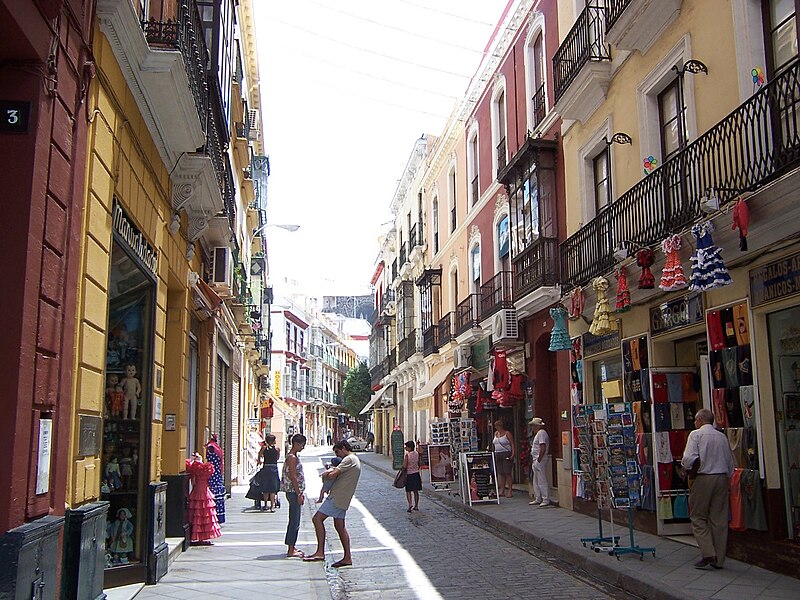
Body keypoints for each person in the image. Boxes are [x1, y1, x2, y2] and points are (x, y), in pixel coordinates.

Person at [681, 408, 734, 569]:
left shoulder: (696, 435)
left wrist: (685, 468)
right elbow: (730, 461)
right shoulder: (722, 436)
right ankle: (720, 559)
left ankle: (708, 552)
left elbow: (689, 458)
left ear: (700, 420)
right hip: (721, 477)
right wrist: (728, 476)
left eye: (696, 420)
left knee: (698, 516)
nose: (695, 423)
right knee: (719, 519)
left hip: (704, 478)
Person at [304, 440, 361, 568]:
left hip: (337, 497)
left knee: (317, 519)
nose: (337, 456)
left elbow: (332, 475)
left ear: (344, 448)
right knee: (339, 526)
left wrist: (326, 473)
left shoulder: (349, 459)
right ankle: (347, 557)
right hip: (344, 497)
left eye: (338, 452)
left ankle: (320, 552)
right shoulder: (354, 459)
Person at [185, 452, 221, 545]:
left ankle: (198, 536)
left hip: (197, 490)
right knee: (203, 513)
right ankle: (201, 537)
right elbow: (208, 472)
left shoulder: (193, 467)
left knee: (198, 513)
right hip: (203, 490)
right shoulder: (205, 468)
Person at [280, 433, 306, 558]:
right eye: (302, 445)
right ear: (296, 444)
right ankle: (291, 549)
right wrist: (299, 493)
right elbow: (293, 476)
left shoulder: (293, 456)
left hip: (293, 491)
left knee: (294, 519)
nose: (303, 447)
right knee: (295, 521)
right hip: (293, 492)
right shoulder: (292, 458)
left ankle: (292, 546)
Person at [248, 434, 281, 511]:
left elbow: (259, 454)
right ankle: (272, 506)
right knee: (273, 489)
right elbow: (277, 458)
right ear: (273, 441)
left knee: (265, 488)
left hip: (266, 467)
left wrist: (259, 460)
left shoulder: (264, 448)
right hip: (274, 468)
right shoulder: (277, 449)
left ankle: (265, 505)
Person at [528, 417, 552, 507]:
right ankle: (538, 497)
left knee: (541, 479)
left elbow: (542, 447)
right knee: (536, 479)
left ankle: (545, 498)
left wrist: (539, 459)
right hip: (536, 459)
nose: (532, 428)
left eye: (533, 426)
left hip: (539, 459)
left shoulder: (541, 433)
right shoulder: (538, 434)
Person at [205, 434, 226, 523]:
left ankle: (213, 515)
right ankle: (219, 516)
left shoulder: (210, 448)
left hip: (212, 475)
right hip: (217, 474)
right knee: (218, 496)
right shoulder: (217, 448)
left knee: (213, 495)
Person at [492, 419, 515, 498]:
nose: (496, 428)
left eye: (497, 426)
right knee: (501, 473)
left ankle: (510, 490)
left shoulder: (507, 433)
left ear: (501, 426)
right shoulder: (496, 434)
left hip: (506, 453)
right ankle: (502, 490)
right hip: (497, 453)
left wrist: (513, 453)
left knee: (507, 472)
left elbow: (512, 443)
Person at [403, 441, 422, 512]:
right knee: (416, 491)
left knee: (408, 491)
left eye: (406, 447)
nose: (405, 448)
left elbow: (405, 466)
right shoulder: (417, 454)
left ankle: (410, 504)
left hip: (409, 474)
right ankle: (416, 505)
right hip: (416, 474)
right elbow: (419, 463)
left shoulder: (407, 455)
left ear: (409, 447)